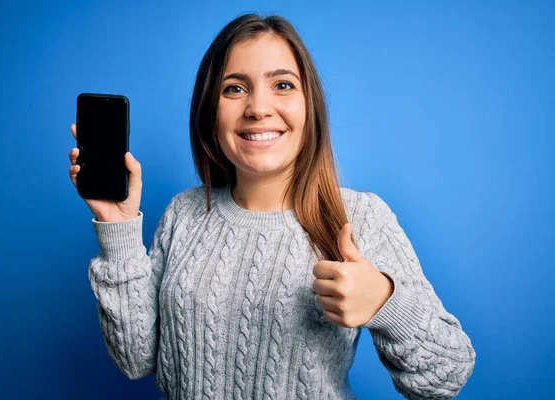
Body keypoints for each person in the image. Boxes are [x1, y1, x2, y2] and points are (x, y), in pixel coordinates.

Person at [68, 13, 475, 400]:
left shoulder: (362, 218)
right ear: (211, 112)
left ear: (309, 106)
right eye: (234, 88)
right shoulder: (183, 213)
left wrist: (387, 302)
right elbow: (135, 359)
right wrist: (116, 228)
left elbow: (446, 378)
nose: (258, 108)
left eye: (282, 85)